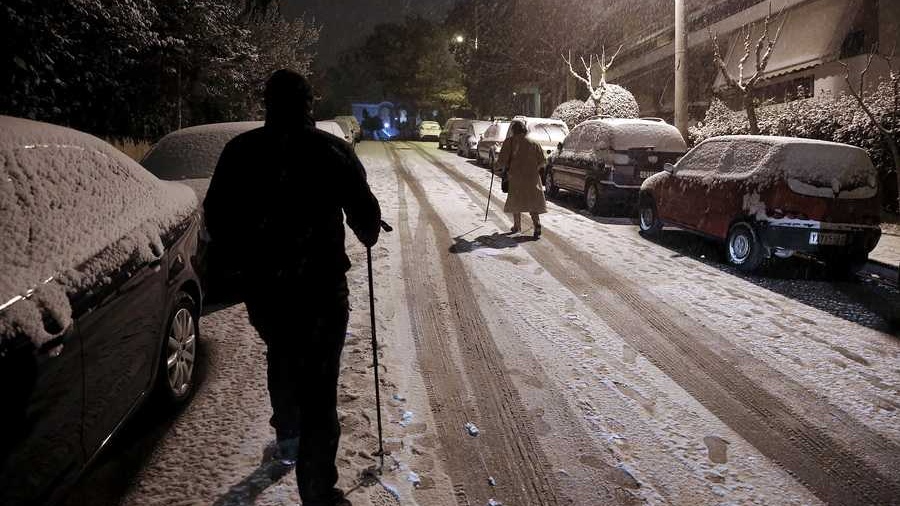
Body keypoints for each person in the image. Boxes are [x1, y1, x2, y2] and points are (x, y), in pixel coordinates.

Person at [203, 68, 381, 506]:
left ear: (267, 103)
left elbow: (217, 219)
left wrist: (245, 260)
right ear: (308, 104)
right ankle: (318, 490)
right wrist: (366, 223)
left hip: (267, 290)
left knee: (281, 355)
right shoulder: (332, 152)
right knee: (320, 386)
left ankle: (287, 432)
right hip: (321, 291)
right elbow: (368, 224)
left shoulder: (240, 152)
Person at [497, 120, 548, 238]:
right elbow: (543, 162)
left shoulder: (510, 142)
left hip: (516, 177)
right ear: (525, 130)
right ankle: (537, 224)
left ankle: (517, 226)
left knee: (516, 201)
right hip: (532, 178)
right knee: (532, 202)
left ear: (513, 131)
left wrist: (497, 167)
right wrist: (533, 169)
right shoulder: (534, 143)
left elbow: (502, 161)